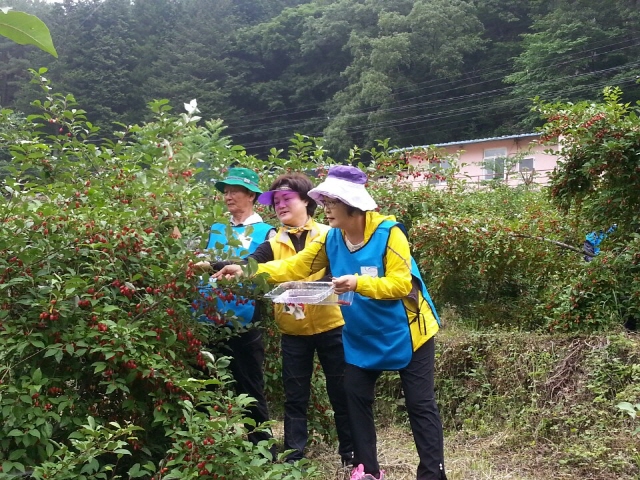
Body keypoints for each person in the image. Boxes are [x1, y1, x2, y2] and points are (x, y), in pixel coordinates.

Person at [213, 166, 447, 480]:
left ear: (352, 203)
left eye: (331, 202)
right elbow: (296, 266)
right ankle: (367, 471)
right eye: (324, 201)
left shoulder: (389, 233)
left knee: (419, 404)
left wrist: (358, 284)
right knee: (354, 395)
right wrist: (247, 271)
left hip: (409, 331)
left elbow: (401, 285)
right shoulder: (332, 239)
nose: (326, 208)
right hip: (362, 333)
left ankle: (433, 473)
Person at [194, 167, 276, 448]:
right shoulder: (217, 229)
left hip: (243, 318)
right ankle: (200, 445)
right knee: (202, 384)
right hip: (207, 315)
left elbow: (264, 270)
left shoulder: (267, 232)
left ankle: (262, 448)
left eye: (235, 191)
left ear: (252, 195)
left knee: (249, 385)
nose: (228, 196)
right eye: (226, 191)